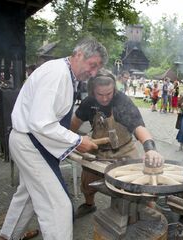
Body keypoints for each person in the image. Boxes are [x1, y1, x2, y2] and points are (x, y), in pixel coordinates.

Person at [0, 37, 107, 240]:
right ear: (79, 54)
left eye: (97, 69)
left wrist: (73, 139)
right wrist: (77, 141)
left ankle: (7, 235)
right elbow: (40, 122)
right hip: (30, 143)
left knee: (29, 193)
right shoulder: (57, 74)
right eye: (92, 66)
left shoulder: (64, 72)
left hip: (30, 141)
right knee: (58, 206)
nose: (92, 73)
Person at [70, 69, 164, 218]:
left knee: (141, 187)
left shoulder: (122, 101)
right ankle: (89, 204)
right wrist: (70, 139)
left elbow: (139, 127)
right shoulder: (88, 102)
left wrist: (150, 148)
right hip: (98, 150)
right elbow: (75, 122)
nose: (105, 98)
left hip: (124, 150)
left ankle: (153, 214)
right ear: (93, 91)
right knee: (87, 182)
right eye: (100, 94)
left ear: (114, 88)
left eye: (109, 93)